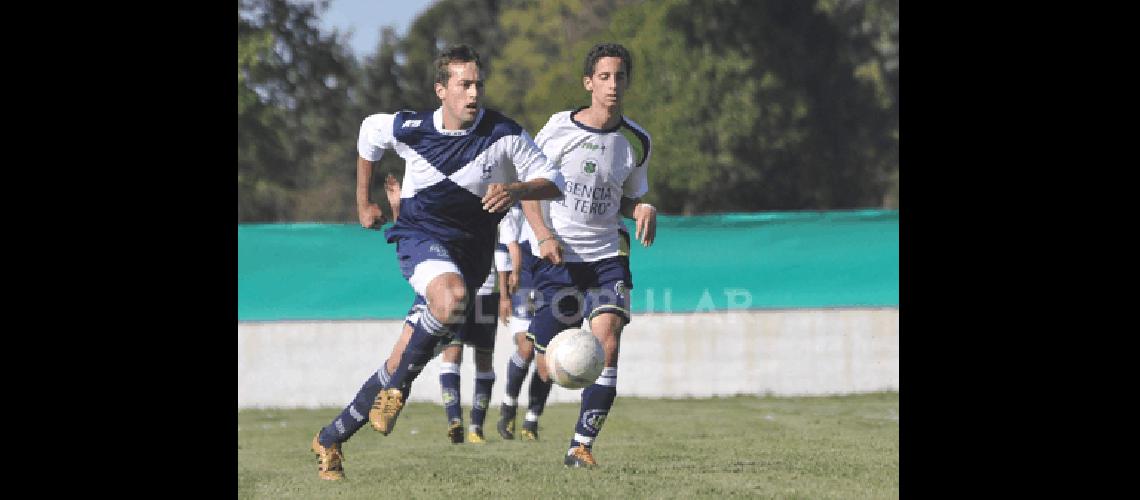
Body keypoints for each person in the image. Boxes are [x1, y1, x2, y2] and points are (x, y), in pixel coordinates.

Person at [310, 44, 563, 481]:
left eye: (478, 84)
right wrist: (363, 202)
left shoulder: (502, 131)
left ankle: (330, 438)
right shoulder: (410, 127)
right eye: (464, 85)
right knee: (451, 299)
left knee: (400, 359)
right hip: (419, 238)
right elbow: (368, 134)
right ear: (441, 90)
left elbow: (554, 181)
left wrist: (518, 191)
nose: (473, 93)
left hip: (473, 257)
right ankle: (397, 391)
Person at [521, 42, 657, 468]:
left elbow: (626, 200)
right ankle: (531, 395)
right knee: (546, 360)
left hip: (606, 254)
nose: (613, 84)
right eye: (604, 76)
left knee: (609, 340)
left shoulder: (636, 140)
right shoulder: (558, 129)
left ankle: (580, 446)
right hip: (558, 256)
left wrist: (642, 209)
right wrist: (543, 235)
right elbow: (529, 189)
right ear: (588, 83)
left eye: (619, 76)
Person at [388, 174, 512, 445]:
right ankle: (460, 422)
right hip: (461, 291)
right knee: (455, 354)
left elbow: (506, 247)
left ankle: (469, 424)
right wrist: (397, 206)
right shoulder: (439, 202)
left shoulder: (495, 200)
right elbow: (411, 234)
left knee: (474, 357)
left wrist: (504, 295)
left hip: (483, 292)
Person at [495, 204, 550, 441]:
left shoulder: (558, 195)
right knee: (526, 349)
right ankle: (509, 406)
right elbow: (503, 248)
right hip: (524, 282)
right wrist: (504, 295)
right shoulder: (514, 206)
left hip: (553, 282)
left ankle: (532, 420)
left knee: (546, 358)